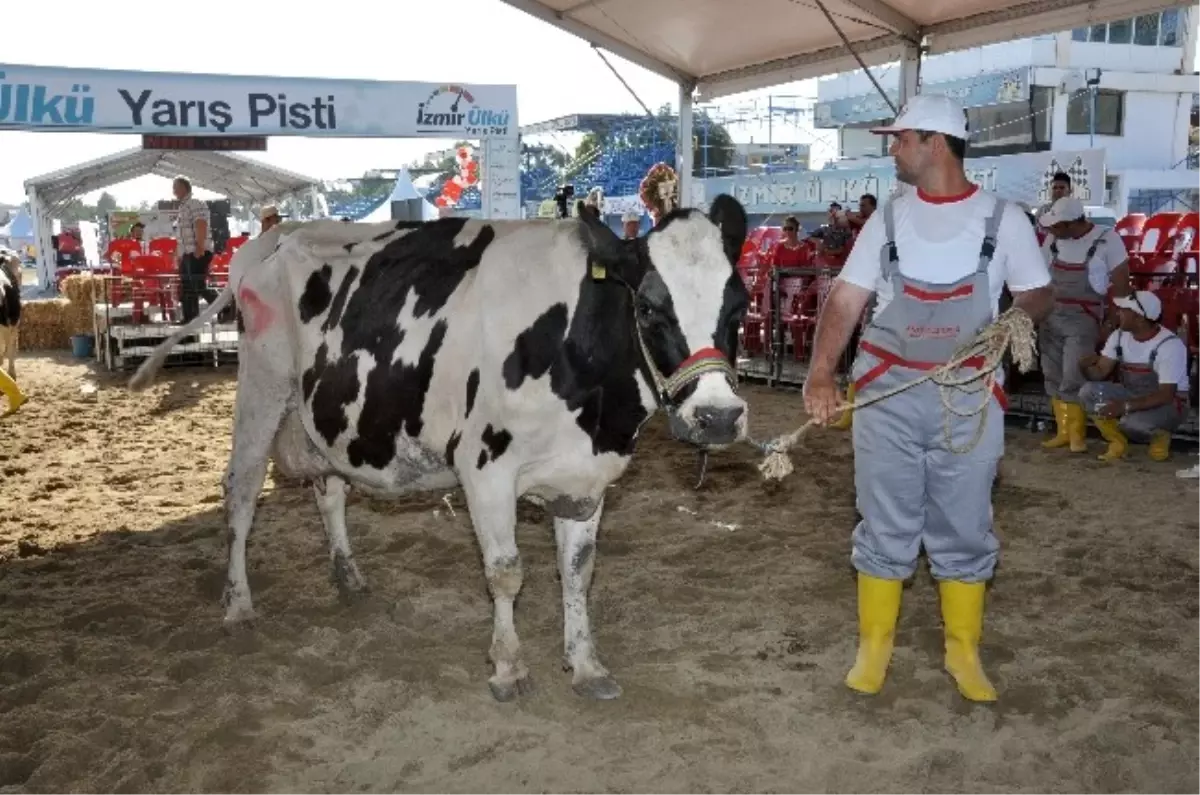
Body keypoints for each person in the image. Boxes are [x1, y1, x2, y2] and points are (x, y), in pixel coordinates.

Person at [803, 93, 1053, 702]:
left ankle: (963, 652)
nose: (892, 148)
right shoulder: (888, 217)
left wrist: (1017, 316)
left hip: (969, 398)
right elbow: (845, 299)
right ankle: (874, 648)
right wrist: (820, 374)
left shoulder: (1003, 218)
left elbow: (1039, 291)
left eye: (899, 138)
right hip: (886, 392)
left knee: (964, 524)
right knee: (884, 519)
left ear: (933, 143)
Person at [1036, 196, 1131, 452]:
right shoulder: (1052, 240)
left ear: (1071, 223)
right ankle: (1064, 432)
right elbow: (1037, 276)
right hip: (1051, 314)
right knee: (1052, 373)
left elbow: (1122, 283)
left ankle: (1077, 435)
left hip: (1083, 317)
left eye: (1057, 225)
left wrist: (1112, 323)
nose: (1052, 230)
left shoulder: (1107, 239)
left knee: (1073, 375)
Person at [1077, 290, 1188, 462]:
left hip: (1169, 404)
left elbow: (1166, 395)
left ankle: (1159, 434)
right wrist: (1085, 367)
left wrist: (1125, 406)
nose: (1118, 312)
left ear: (1140, 318)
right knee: (1088, 392)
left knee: (1132, 424)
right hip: (1132, 392)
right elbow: (1099, 373)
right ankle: (1117, 441)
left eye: (1124, 310)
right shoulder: (1119, 336)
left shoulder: (1169, 346)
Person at [173, 177, 219, 324]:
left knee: (198, 285)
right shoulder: (182, 207)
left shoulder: (195, 203)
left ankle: (226, 306)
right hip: (187, 253)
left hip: (197, 251)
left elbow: (201, 224)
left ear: (184, 188)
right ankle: (190, 317)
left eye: (176, 187)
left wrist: (199, 247)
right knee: (187, 286)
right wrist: (180, 254)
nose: (173, 191)